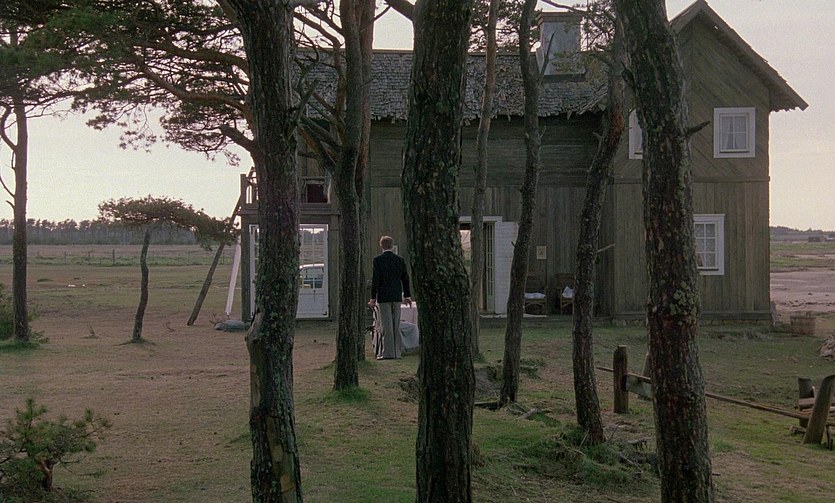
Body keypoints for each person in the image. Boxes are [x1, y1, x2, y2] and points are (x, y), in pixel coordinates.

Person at [369, 235, 412, 359]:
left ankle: (388, 353)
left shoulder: (378, 260)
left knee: (386, 326)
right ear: (392, 246)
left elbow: (375, 280)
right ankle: (397, 352)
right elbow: (405, 279)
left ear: (381, 246)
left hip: (384, 296)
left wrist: (373, 298)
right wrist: (407, 295)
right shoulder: (400, 260)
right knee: (396, 325)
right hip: (396, 295)